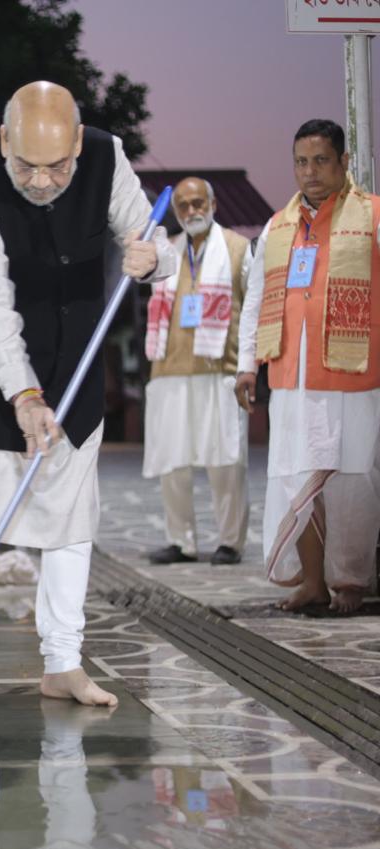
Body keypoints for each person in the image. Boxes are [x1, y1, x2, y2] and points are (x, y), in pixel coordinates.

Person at [0, 81, 176, 709]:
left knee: (69, 527)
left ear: (76, 144)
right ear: (5, 139)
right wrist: (23, 393)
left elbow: (150, 237)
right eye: (27, 167)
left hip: (74, 371)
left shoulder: (105, 156)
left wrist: (154, 258)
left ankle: (63, 662)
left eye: (57, 167)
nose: (42, 182)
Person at [236, 119, 380, 615]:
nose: (310, 171)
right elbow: (254, 300)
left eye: (321, 160)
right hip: (289, 379)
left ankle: (352, 582)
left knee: (353, 479)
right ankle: (313, 582)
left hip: (354, 376)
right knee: (294, 476)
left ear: (344, 163)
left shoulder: (373, 216)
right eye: (301, 161)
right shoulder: (278, 228)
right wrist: (245, 367)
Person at [143, 177, 252, 566]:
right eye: (184, 206)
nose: (191, 211)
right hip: (169, 370)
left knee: (225, 461)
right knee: (173, 462)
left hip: (218, 368)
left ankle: (230, 542)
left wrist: (248, 367)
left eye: (197, 203)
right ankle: (181, 541)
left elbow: (252, 312)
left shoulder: (238, 249)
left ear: (213, 204)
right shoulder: (167, 252)